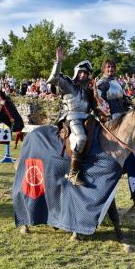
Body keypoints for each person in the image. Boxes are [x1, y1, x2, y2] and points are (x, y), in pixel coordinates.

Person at [46, 47, 96, 186]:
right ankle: (73, 173)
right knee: (81, 138)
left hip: (87, 118)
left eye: (85, 73)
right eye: (80, 72)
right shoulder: (68, 84)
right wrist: (58, 62)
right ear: (76, 72)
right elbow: (53, 79)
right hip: (71, 116)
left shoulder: (88, 91)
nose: (82, 75)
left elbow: (95, 106)